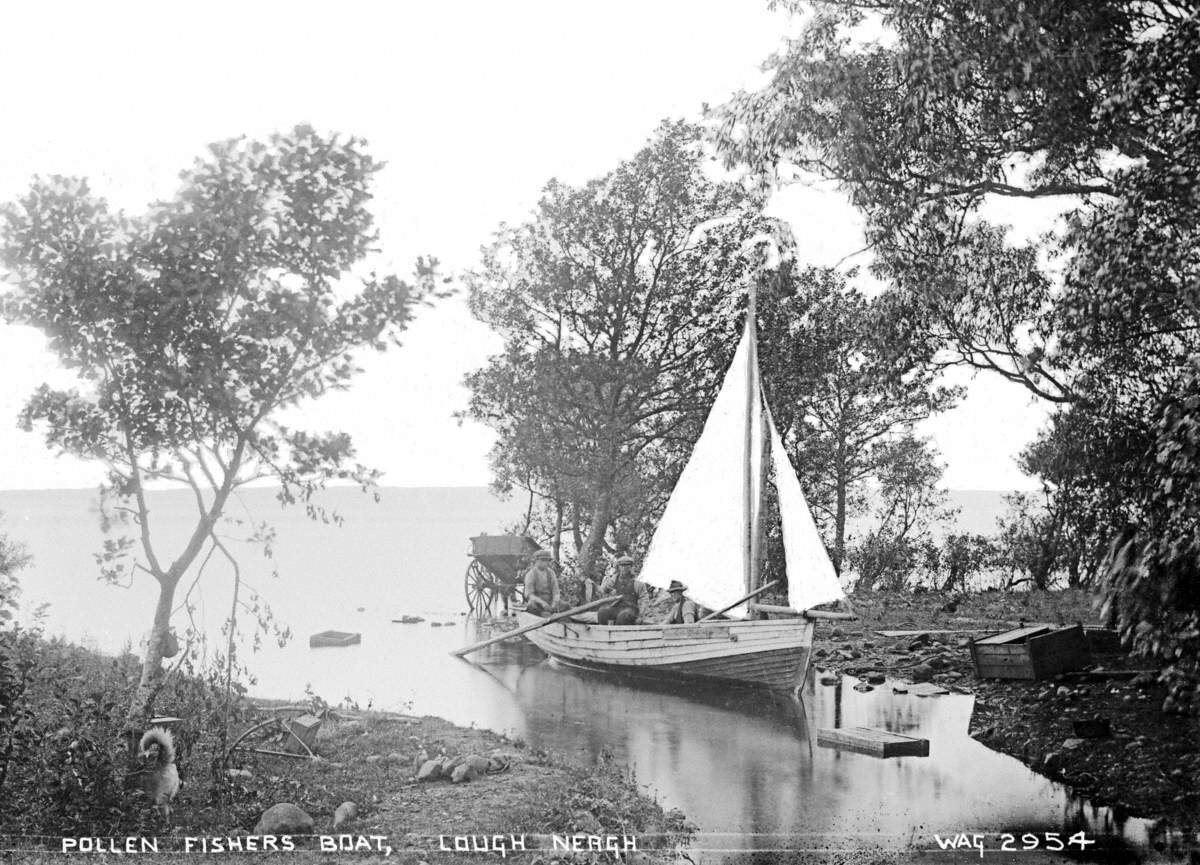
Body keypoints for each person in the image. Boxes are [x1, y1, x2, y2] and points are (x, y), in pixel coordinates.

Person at [597, 554, 648, 625]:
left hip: (631, 610)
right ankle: (603, 633)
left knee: (623, 616)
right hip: (616, 608)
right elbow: (603, 591)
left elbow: (644, 600)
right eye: (622, 566)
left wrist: (640, 616)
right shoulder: (614, 579)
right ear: (619, 567)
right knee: (602, 611)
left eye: (627, 566)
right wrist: (606, 586)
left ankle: (618, 634)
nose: (624, 568)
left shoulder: (637, 583)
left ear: (631, 567)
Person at [523, 549, 563, 616]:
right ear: (536, 561)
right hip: (537, 601)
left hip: (550, 600)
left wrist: (554, 603)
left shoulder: (551, 573)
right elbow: (529, 595)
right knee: (531, 606)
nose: (545, 563)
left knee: (566, 605)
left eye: (547, 560)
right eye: (542, 560)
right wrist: (542, 603)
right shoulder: (531, 574)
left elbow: (556, 591)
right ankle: (541, 616)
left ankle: (553, 615)